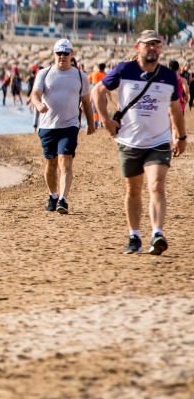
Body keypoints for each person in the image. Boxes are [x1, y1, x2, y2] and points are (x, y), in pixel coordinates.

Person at [94, 31, 186, 255]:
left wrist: (181, 136)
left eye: (156, 44)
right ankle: (134, 236)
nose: (152, 48)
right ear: (138, 47)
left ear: (161, 49)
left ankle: (157, 233)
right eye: (148, 45)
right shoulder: (125, 70)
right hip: (129, 141)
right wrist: (105, 120)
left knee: (156, 185)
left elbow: (175, 108)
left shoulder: (168, 76)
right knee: (133, 189)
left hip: (159, 141)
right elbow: (97, 90)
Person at [29, 38, 95, 214]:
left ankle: (63, 200)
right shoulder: (44, 73)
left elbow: (86, 102)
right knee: (50, 164)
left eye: (66, 53)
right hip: (47, 126)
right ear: (54, 54)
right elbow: (35, 94)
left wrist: (91, 123)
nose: (62, 56)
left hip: (70, 126)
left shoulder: (80, 77)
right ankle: (53, 195)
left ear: (71, 55)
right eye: (59, 53)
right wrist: (38, 105)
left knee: (65, 161)